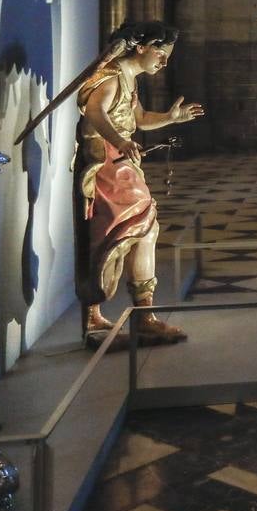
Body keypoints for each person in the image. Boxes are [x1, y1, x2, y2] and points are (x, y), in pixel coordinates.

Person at [73, 20, 204, 346]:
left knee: (142, 230)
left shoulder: (129, 79)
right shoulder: (110, 75)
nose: (164, 61)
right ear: (141, 47)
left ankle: (142, 315)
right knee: (110, 236)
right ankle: (106, 317)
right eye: (160, 52)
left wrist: (171, 118)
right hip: (105, 169)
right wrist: (121, 141)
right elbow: (94, 112)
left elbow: (139, 119)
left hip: (122, 168)